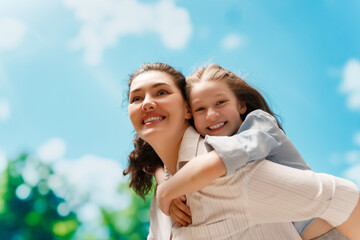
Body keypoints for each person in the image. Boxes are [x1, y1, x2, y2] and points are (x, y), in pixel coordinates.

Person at [124, 62, 360, 239]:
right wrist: (164, 185)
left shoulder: (242, 150)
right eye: (136, 98)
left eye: (161, 91)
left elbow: (341, 195)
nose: (212, 115)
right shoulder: (168, 189)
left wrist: (167, 190)